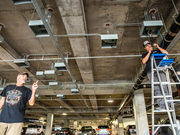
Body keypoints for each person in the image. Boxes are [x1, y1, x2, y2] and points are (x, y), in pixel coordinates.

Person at [141, 41, 169, 110]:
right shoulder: (144, 55)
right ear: (145, 48)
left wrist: (158, 47)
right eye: (147, 45)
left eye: (149, 44)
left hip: (160, 70)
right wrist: (149, 52)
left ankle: (168, 105)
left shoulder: (157, 51)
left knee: (164, 87)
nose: (149, 46)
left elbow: (166, 53)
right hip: (151, 72)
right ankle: (162, 105)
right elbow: (144, 61)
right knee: (157, 89)